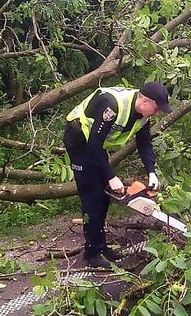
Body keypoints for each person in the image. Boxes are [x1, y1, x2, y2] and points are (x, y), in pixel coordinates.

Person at [64, 82, 172, 268]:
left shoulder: (143, 115)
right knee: (92, 196)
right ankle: (92, 253)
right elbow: (94, 144)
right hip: (79, 141)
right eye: (156, 109)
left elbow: (144, 143)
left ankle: (101, 246)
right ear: (145, 101)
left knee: (103, 197)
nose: (156, 113)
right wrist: (111, 177)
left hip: (96, 146)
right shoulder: (112, 105)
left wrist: (151, 172)